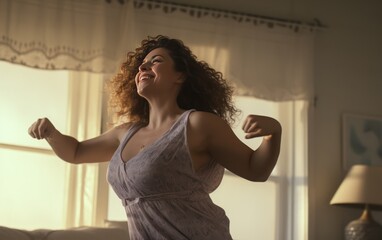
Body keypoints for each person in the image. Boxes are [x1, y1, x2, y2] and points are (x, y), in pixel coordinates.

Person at [28, 35, 282, 240]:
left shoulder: (198, 123)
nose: (143, 67)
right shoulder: (125, 133)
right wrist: (51, 133)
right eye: (141, 64)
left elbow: (255, 170)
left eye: (155, 61)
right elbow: (75, 152)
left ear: (180, 76)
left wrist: (273, 133)